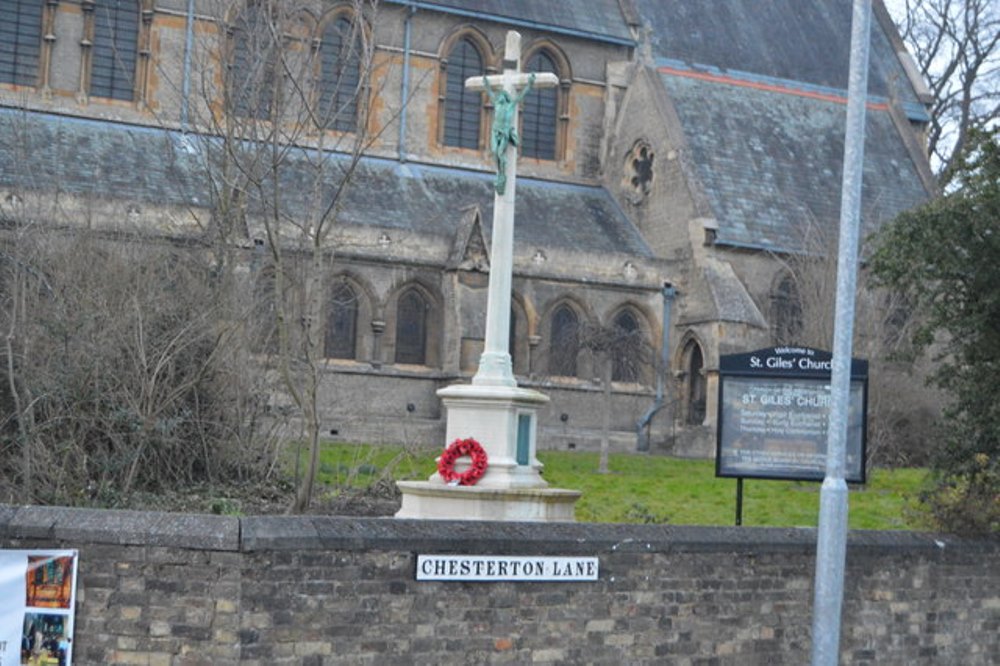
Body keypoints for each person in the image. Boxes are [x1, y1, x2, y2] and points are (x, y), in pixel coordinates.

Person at [482, 73, 535, 194]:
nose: (499, 96)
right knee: (495, 152)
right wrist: (486, 85)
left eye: (501, 95)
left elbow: (520, 96)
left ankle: (502, 175)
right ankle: (500, 173)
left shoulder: (510, 106)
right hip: (495, 131)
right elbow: (490, 93)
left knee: (501, 154)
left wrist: (529, 84)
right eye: (499, 95)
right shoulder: (497, 105)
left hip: (504, 132)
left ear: (505, 98)